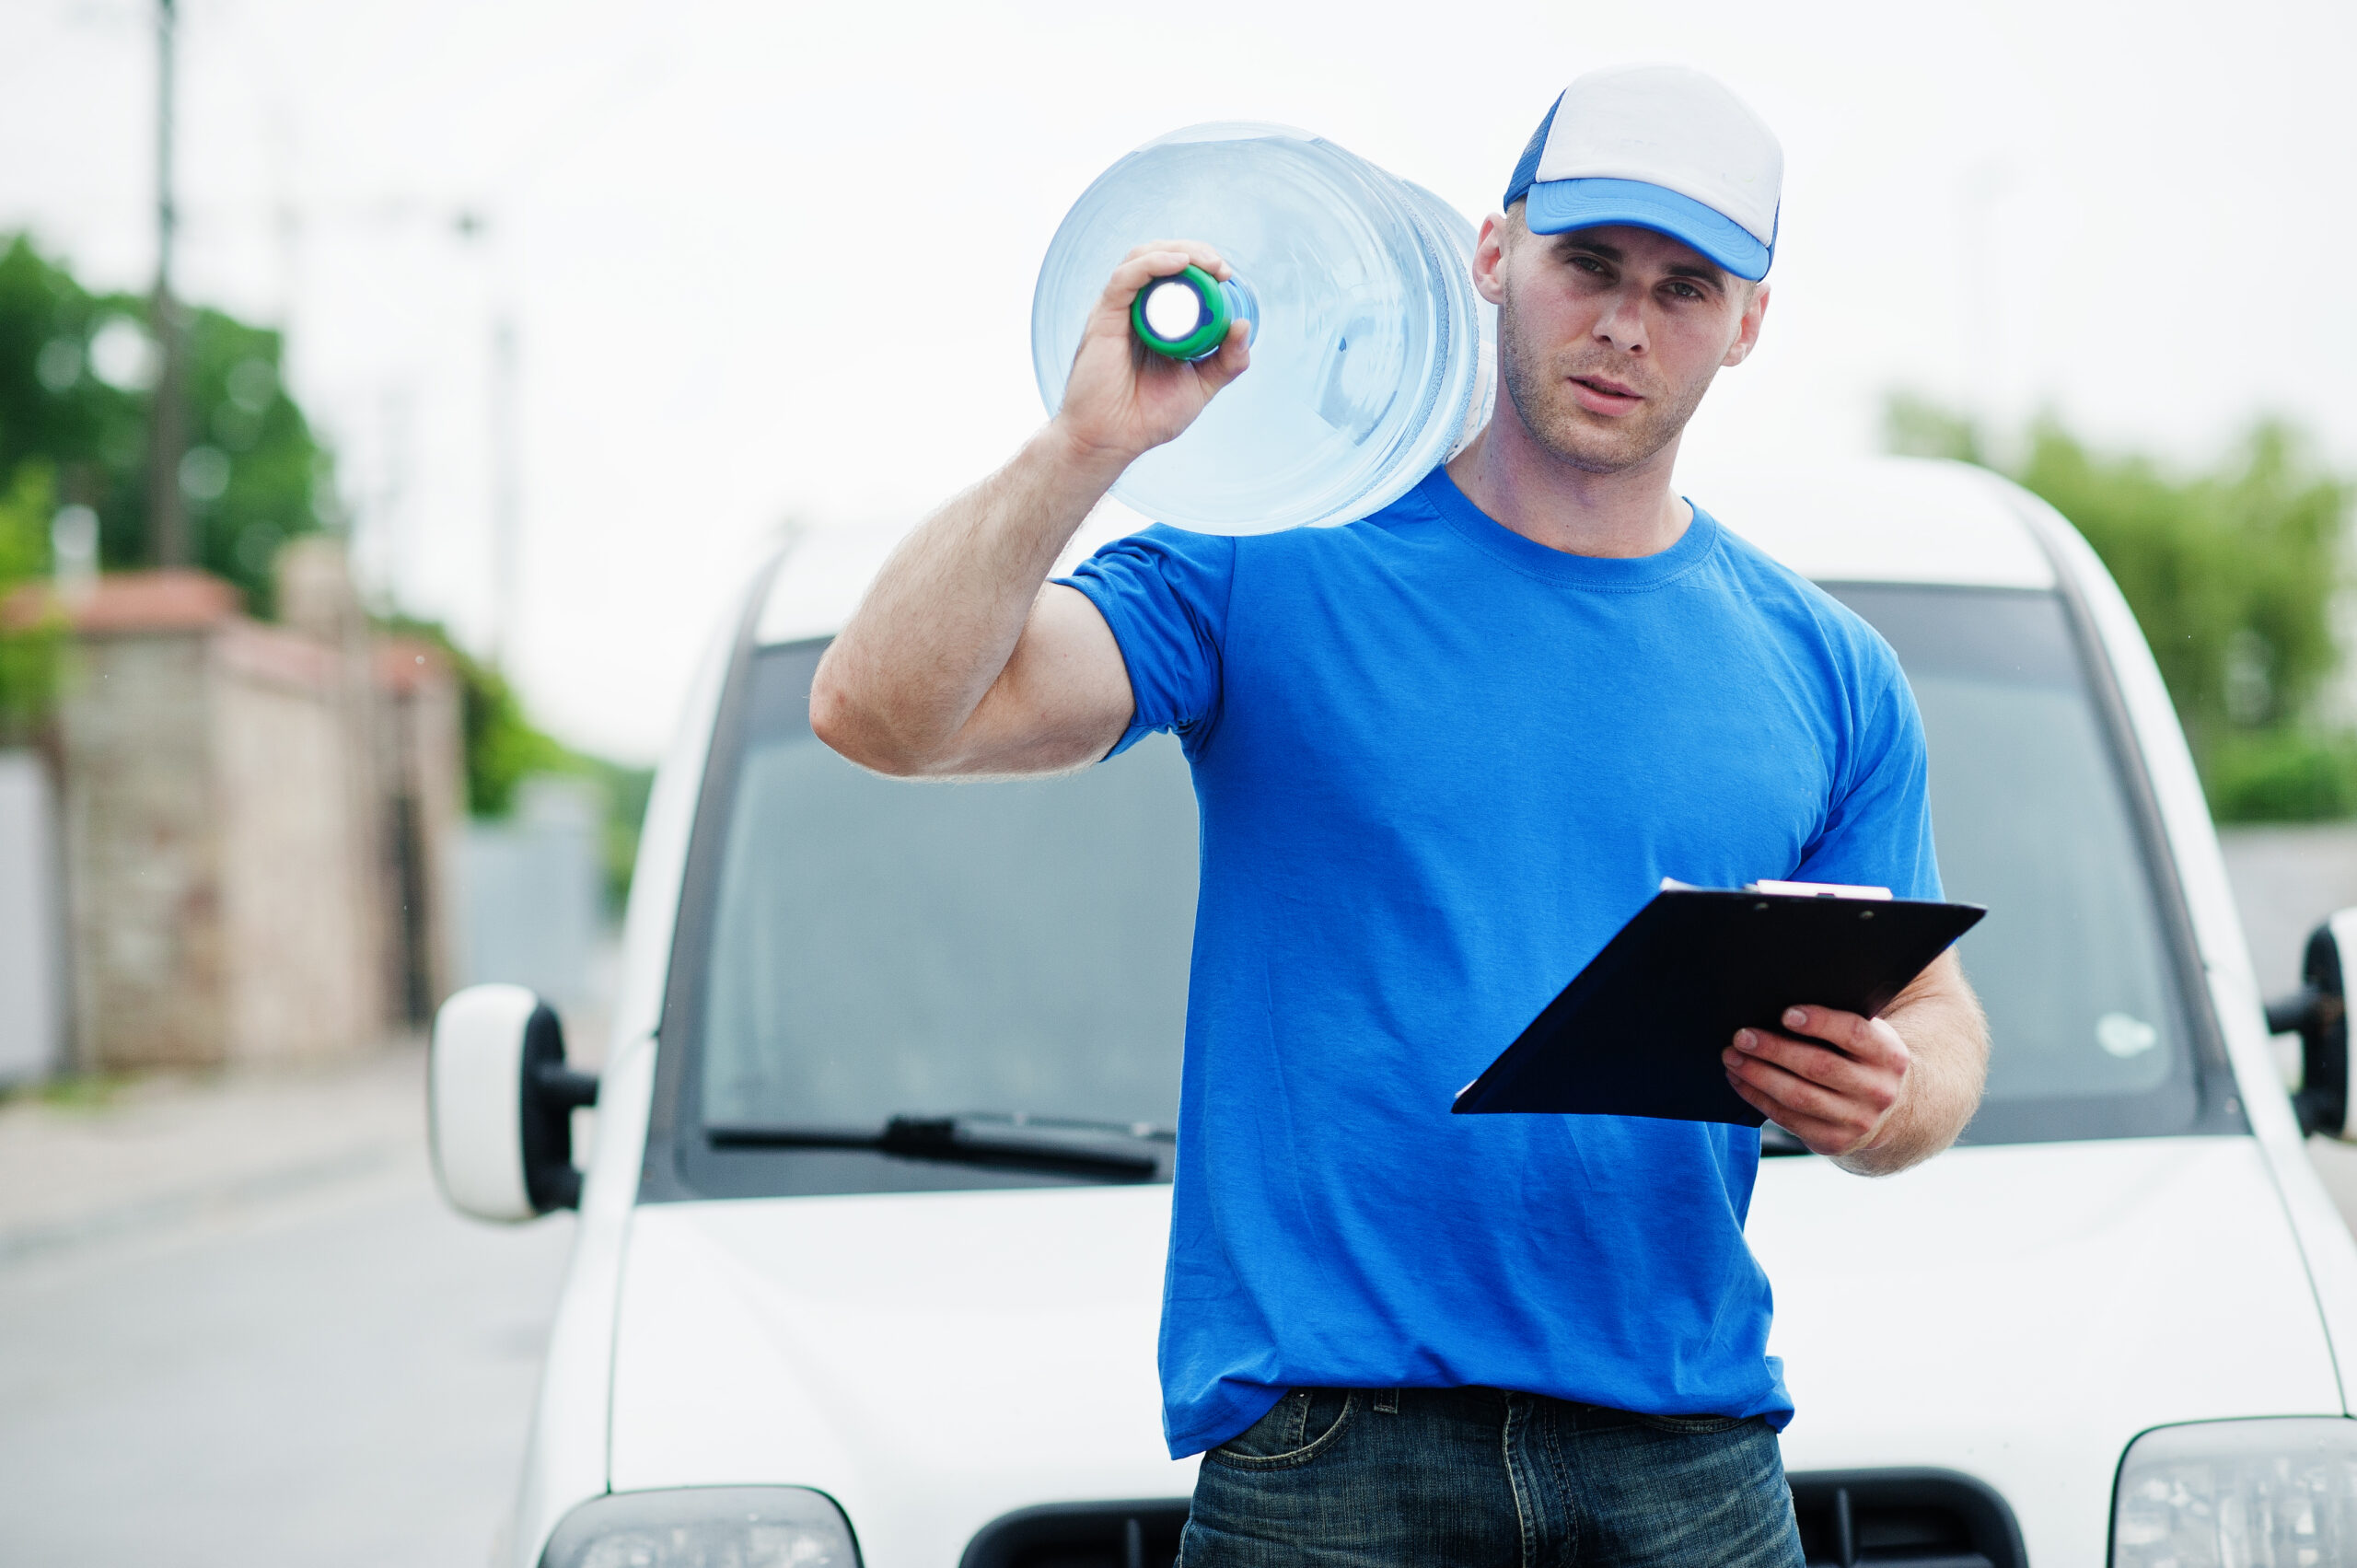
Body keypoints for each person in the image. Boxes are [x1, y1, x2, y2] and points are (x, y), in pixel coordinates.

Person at [811, 63, 1990, 1568]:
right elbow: (884, 712)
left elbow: (1938, 1016)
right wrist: (1086, 449)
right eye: (1588, 265)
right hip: (1333, 1460)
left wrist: (1897, 1102)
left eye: (1686, 287)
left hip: (1686, 1452)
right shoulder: (1267, 562)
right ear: (1494, 256)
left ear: (1749, 323)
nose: (1626, 322)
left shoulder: (1827, 672)